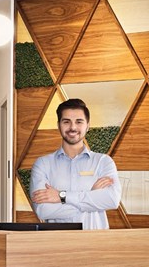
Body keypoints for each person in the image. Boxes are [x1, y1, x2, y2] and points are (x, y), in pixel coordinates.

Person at [29, 98, 121, 229]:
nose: (72, 127)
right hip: (57, 245)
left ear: (87, 126)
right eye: (66, 122)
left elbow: (112, 200)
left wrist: (62, 196)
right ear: (58, 125)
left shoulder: (103, 162)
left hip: (95, 244)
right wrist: (91, 197)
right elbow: (43, 210)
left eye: (79, 122)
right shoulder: (43, 164)